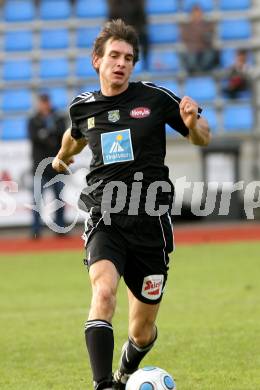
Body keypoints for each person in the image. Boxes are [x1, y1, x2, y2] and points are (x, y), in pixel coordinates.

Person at [52, 19, 210, 390]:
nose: (121, 63)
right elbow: (74, 135)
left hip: (151, 222)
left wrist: (192, 124)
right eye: (114, 56)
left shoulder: (154, 98)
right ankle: (103, 384)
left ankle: (124, 374)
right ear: (97, 60)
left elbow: (202, 137)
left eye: (128, 57)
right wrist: (61, 157)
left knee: (142, 331)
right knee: (103, 293)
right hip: (104, 214)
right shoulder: (84, 107)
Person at [28, 93, 68, 238]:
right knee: (37, 201)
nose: (45, 105)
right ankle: (36, 231)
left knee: (59, 199)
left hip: (57, 167)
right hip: (40, 168)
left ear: (49, 102)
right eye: (42, 102)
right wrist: (51, 136)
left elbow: (63, 136)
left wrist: (46, 135)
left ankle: (60, 229)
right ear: (39, 103)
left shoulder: (58, 118)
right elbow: (35, 138)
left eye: (46, 102)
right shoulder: (33, 120)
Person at [107, 0, 149, 70]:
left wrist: (132, 31)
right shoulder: (114, 4)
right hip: (119, 33)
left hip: (136, 32)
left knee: (144, 38)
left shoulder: (138, 4)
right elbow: (111, 22)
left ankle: (144, 64)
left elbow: (143, 21)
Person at [180, 4, 219, 73]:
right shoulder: (186, 27)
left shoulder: (208, 25)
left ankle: (203, 71)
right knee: (190, 57)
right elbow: (185, 40)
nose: (197, 16)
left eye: (199, 14)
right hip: (192, 50)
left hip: (204, 49)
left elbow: (210, 37)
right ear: (191, 15)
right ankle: (195, 72)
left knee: (210, 54)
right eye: (195, 14)